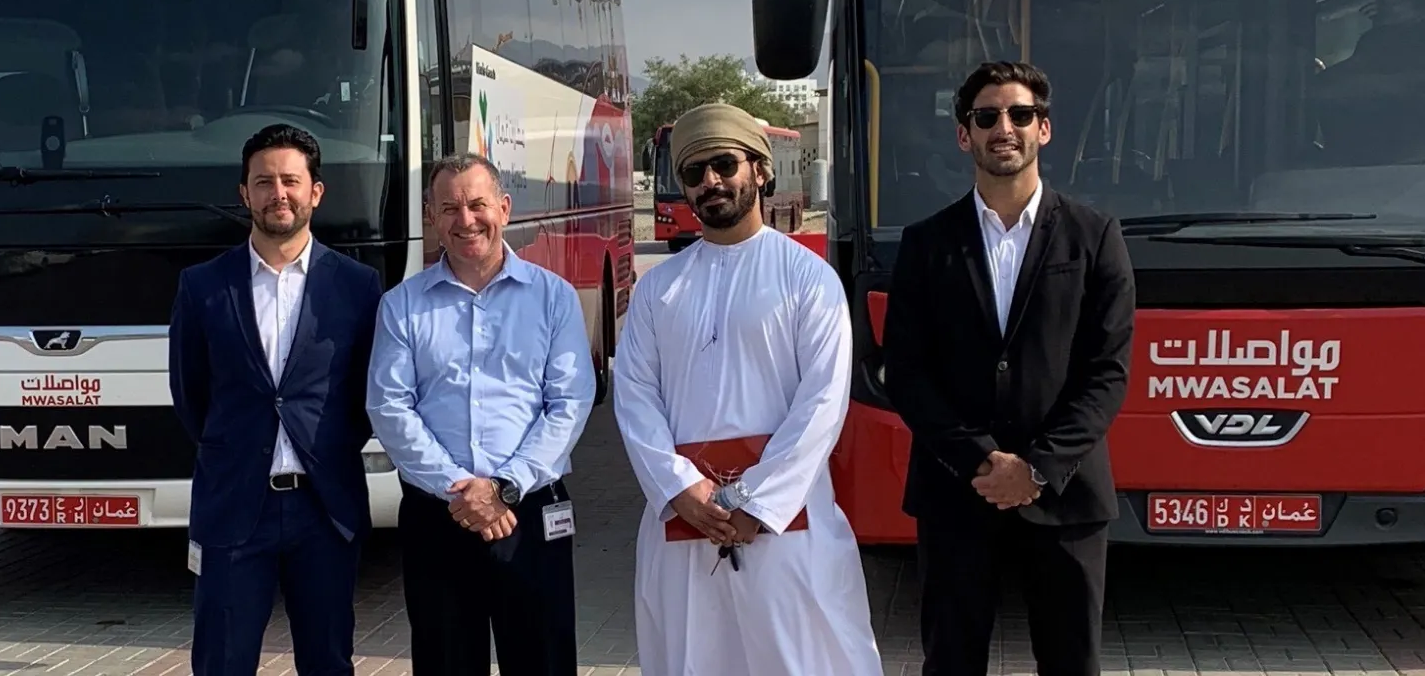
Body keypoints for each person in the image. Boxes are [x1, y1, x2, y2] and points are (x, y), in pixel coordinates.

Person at [881, 61, 1135, 676]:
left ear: (1043, 130)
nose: (1005, 127)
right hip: (956, 492)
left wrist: (1039, 468)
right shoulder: (926, 243)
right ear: (963, 134)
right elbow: (907, 371)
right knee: (951, 660)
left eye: (1021, 115)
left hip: (1067, 494)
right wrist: (981, 462)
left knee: (1072, 664)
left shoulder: (1094, 236)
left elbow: (1107, 370)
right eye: (986, 116)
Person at [613, 102, 884, 676]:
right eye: (694, 173)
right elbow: (634, 396)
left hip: (787, 527)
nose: (711, 181)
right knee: (692, 658)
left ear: (760, 170)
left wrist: (754, 503)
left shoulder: (807, 276)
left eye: (724, 164)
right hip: (684, 523)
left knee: (801, 660)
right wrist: (682, 490)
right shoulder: (659, 287)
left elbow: (823, 402)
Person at [365, 152, 596, 676]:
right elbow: (389, 405)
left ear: (505, 208)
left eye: (477, 204)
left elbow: (569, 403)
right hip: (438, 515)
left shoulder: (553, 298)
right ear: (431, 216)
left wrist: (504, 487)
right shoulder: (401, 305)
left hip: (530, 511)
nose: (465, 220)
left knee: (543, 659)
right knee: (445, 660)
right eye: (449, 207)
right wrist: (461, 489)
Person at [168, 123, 385, 676]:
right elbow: (191, 394)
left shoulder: (358, 286)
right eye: (263, 182)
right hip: (235, 506)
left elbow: (366, 395)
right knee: (221, 662)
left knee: (329, 661)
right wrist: (239, 445)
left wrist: (323, 448)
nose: (277, 193)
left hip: (324, 508)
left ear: (316, 191)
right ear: (244, 193)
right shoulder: (203, 287)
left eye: (291, 180)